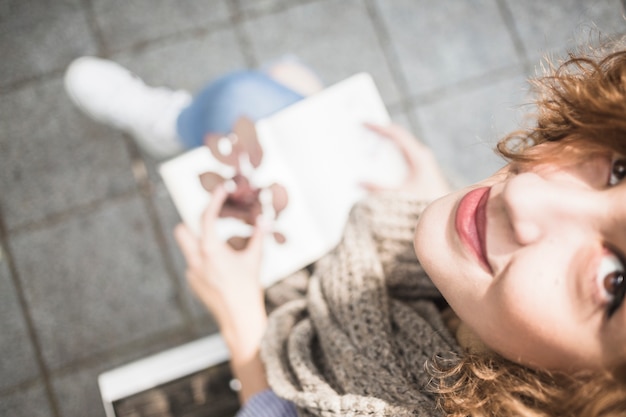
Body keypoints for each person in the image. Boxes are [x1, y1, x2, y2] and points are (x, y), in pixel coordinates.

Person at [64, 44, 626, 416]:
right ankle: (212, 114)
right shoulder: (502, 305)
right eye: (617, 169)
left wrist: (241, 321)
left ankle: (184, 121)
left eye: (615, 281)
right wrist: (433, 200)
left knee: (245, 101)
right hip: (348, 256)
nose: (523, 191)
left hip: (275, 315)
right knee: (254, 104)